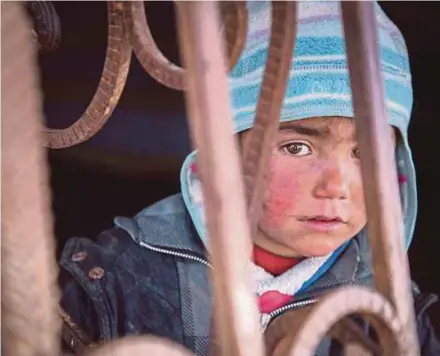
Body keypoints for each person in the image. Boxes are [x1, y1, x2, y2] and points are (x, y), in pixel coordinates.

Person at [59, 1, 439, 354]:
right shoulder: (116, 277)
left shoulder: (393, 309)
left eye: (366, 154)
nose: (336, 187)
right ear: (226, 151)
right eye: (296, 148)